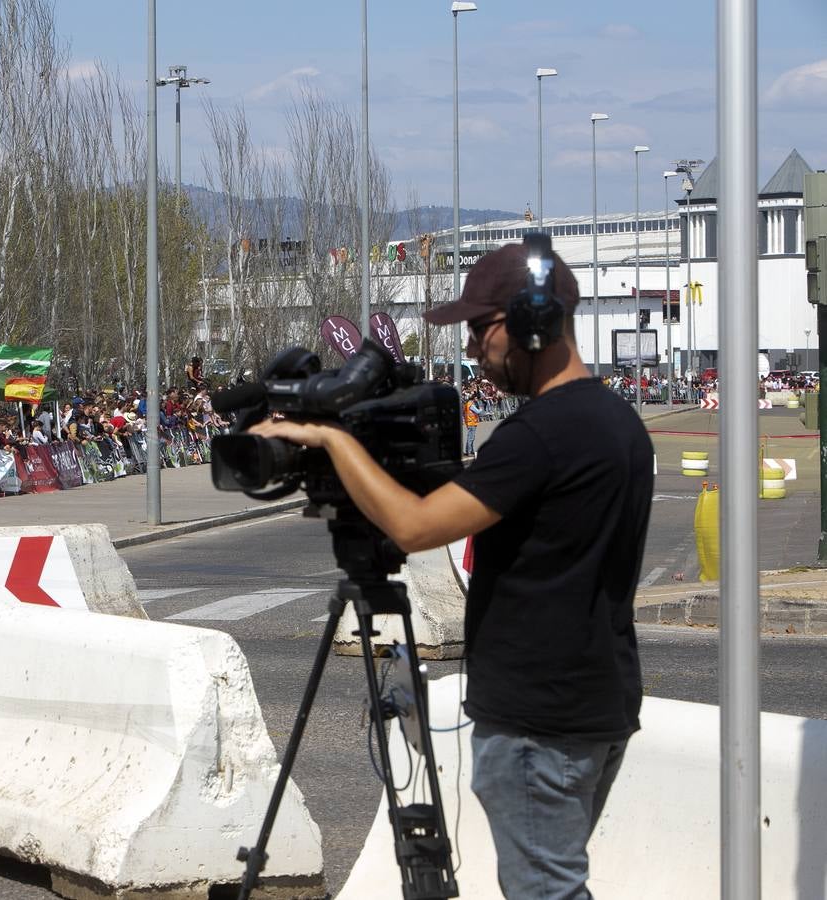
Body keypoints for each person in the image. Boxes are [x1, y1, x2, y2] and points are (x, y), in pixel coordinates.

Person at [250, 241, 653, 899]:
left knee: (545, 890)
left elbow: (412, 527)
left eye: (479, 327)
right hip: (598, 702)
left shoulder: (540, 434)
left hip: (538, 721)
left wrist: (332, 439)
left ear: (529, 323)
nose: (472, 348)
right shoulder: (615, 421)